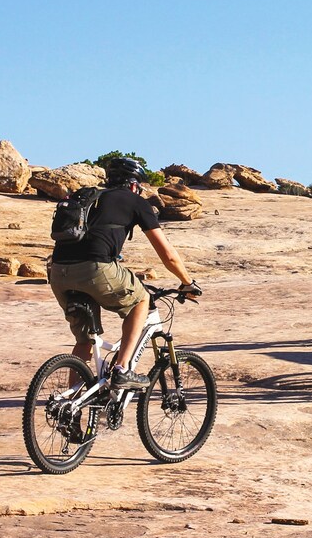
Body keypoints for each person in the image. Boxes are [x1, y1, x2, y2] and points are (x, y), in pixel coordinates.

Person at [49, 157, 201, 389]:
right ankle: (121, 369)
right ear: (134, 184)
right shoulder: (135, 202)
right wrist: (187, 282)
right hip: (95, 268)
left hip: (58, 272)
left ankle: (69, 405)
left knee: (85, 341)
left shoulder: (90, 197)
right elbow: (168, 254)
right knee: (142, 300)